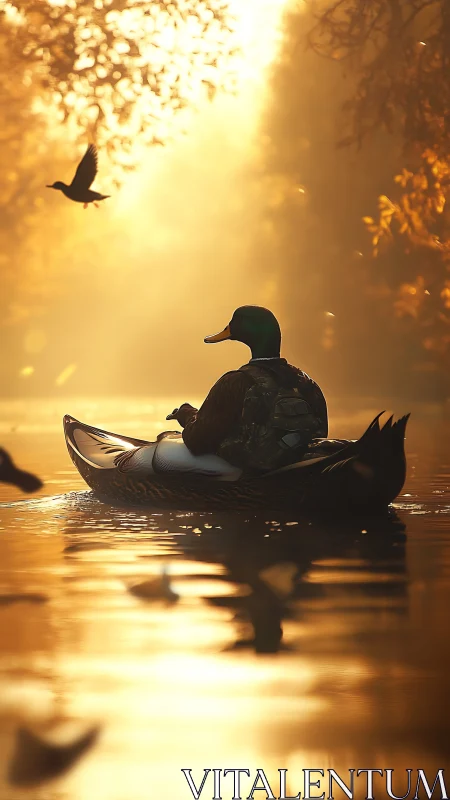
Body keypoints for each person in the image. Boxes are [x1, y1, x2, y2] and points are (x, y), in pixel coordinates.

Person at [167, 306, 328, 473]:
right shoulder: (308, 384)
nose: (228, 328)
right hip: (308, 470)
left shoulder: (235, 382)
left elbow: (198, 441)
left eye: (236, 321)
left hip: (256, 481)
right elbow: (321, 434)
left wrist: (187, 415)